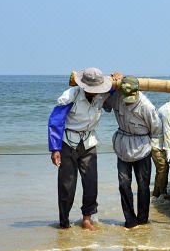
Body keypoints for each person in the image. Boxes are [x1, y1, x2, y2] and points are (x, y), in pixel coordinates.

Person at [48, 67, 120, 231]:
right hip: (68, 143)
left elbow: (115, 88)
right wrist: (55, 149)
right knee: (67, 185)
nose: (94, 92)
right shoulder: (70, 96)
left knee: (91, 183)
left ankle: (87, 219)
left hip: (89, 142)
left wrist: (117, 78)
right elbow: (56, 121)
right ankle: (64, 222)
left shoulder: (102, 94)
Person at [104, 76, 162, 228]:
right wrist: (112, 83)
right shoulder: (117, 97)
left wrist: (156, 150)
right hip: (123, 146)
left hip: (142, 147)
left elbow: (157, 130)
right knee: (124, 184)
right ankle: (130, 221)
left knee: (143, 186)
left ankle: (142, 220)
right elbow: (103, 101)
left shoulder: (146, 106)